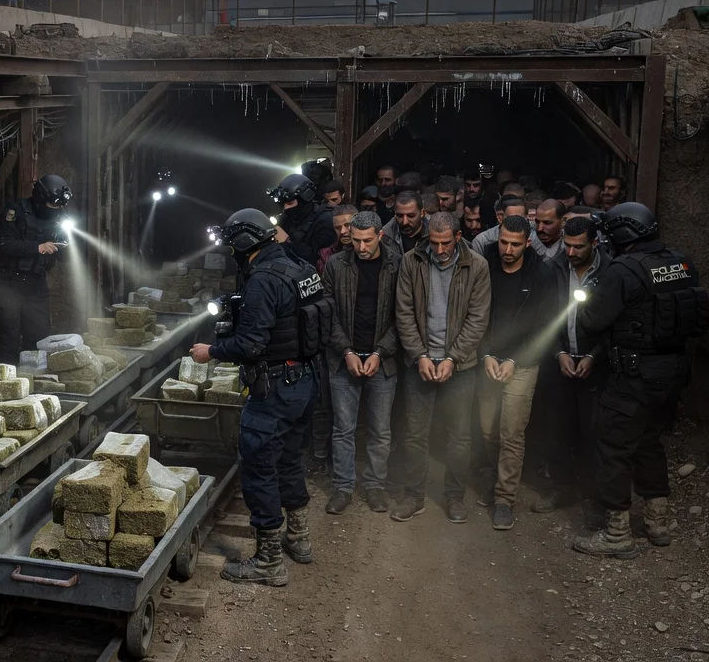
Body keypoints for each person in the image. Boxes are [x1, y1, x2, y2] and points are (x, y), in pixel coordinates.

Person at [190, 209, 323, 586]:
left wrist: (211, 351)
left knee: (259, 468)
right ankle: (299, 540)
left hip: (275, 387)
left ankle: (269, 562)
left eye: (233, 244)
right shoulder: (300, 266)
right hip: (306, 381)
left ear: (245, 243)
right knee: (288, 460)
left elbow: (251, 344)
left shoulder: (264, 279)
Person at [573, 203, 708, 558]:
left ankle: (617, 532)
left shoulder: (622, 271)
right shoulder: (682, 262)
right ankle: (657, 523)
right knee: (650, 440)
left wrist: (584, 304)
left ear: (622, 233)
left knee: (613, 444)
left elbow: (591, 323)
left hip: (634, 374)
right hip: (674, 373)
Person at [392, 212, 491, 524]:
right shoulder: (412, 261)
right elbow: (403, 311)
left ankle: (455, 497)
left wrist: (453, 358)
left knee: (460, 436)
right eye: (433, 243)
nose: (438, 250)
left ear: (458, 237)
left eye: (445, 243)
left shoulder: (477, 266)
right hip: (419, 361)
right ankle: (414, 496)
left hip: (459, 366)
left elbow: (478, 319)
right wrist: (420, 354)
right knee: (415, 434)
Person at [473, 216, 558, 531]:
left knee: (511, 433)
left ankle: (504, 499)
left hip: (523, 364)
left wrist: (517, 359)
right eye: (504, 242)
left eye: (515, 244)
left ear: (528, 242)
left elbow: (546, 326)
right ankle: (498, 480)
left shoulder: (543, 274)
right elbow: (476, 315)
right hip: (489, 361)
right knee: (486, 430)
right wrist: (484, 355)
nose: (508, 250)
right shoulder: (486, 268)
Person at [321, 211, 401, 515]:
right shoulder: (336, 264)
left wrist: (381, 351)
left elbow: (403, 317)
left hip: (384, 360)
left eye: (367, 240)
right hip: (345, 359)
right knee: (343, 428)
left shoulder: (396, 265)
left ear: (380, 235)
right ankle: (343, 488)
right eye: (355, 240)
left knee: (380, 430)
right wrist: (346, 351)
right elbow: (328, 313)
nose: (361, 247)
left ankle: (375, 487)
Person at [535, 215, 608, 521]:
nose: (570, 253)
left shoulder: (611, 272)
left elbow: (616, 323)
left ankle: (593, 494)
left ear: (594, 243)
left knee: (594, 432)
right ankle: (562, 486)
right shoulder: (552, 269)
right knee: (557, 429)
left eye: (578, 247)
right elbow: (541, 318)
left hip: (597, 367)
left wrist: (595, 356)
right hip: (560, 365)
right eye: (567, 245)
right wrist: (558, 352)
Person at [0, 174, 72, 359]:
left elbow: (65, 258)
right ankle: (7, 384)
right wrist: (38, 247)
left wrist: (64, 246)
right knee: (9, 340)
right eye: (53, 205)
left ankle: (33, 382)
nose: (57, 209)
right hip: (10, 283)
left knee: (39, 339)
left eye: (60, 206)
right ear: (40, 199)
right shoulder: (16, 212)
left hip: (37, 284)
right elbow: (4, 243)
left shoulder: (60, 217)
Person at [268, 173, 336, 267]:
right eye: (282, 204)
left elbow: (320, 261)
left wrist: (287, 243)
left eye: (290, 202)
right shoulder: (287, 219)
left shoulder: (326, 220)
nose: (286, 208)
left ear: (306, 198)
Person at [316, 204, 357, 275]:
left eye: (347, 225)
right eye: (338, 228)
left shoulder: (372, 251)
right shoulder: (325, 256)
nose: (342, 231)